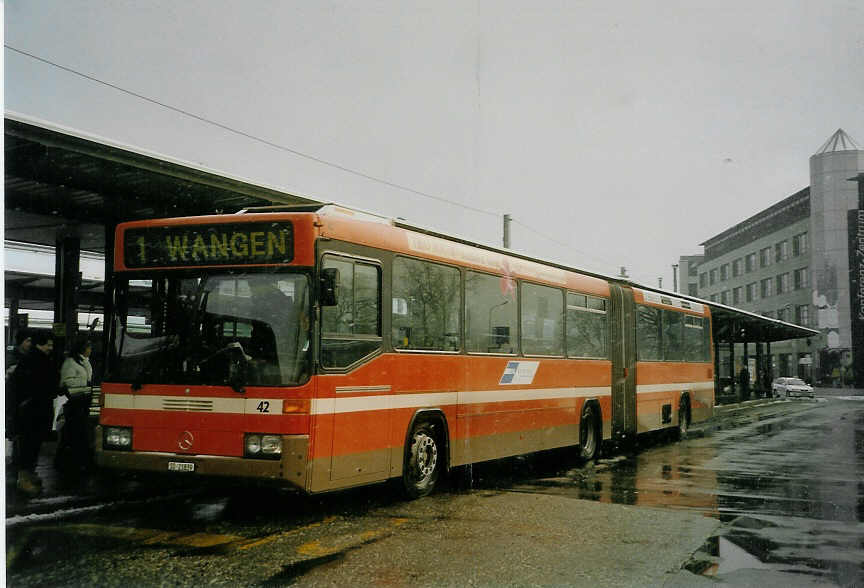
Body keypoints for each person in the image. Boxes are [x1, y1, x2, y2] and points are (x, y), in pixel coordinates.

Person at [8, 331, 59, 495]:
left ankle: (29, 475)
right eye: (48, 344)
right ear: (39, 344)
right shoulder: (35, 361)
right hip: (32, 410)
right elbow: (36, 385)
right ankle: (24, 480)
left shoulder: (37, 360)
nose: (51, 347)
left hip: (35, 409)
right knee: (29, 445)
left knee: (33, 444)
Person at [55, 336, 94, 474]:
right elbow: (66, 381)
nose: (91, 350)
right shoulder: (70, 363)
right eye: (89, 347)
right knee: (77, 431)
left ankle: (66, 460)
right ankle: (80, 461)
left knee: (72, 432)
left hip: (82, 401)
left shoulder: (85, 362)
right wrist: (85, 386)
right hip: (74, 401)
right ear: (82, 349)